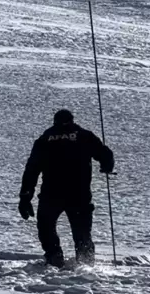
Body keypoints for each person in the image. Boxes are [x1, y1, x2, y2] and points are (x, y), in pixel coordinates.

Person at [19, 109, 114, 267]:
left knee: (46, 227)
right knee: (82, 232)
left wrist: (25, 197)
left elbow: (31, 170)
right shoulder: (84, 136)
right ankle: (86, 263)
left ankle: (54, 256)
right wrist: (107, 166)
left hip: (52, 193)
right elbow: (105, 154)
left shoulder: (45, 139)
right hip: (79, 194)